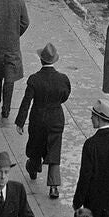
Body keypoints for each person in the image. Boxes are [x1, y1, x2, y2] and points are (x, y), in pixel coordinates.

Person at [15, 44, 72, 200]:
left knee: (36, 145)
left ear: (41, 60)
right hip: (56, 119)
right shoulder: (63, 79)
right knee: (54, 151)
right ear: (55, 60)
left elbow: (26, 102)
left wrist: (20, 122)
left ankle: (33, 168)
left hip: (38, 118)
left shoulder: (34, 79)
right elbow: (65, 96)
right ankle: (53, 187)